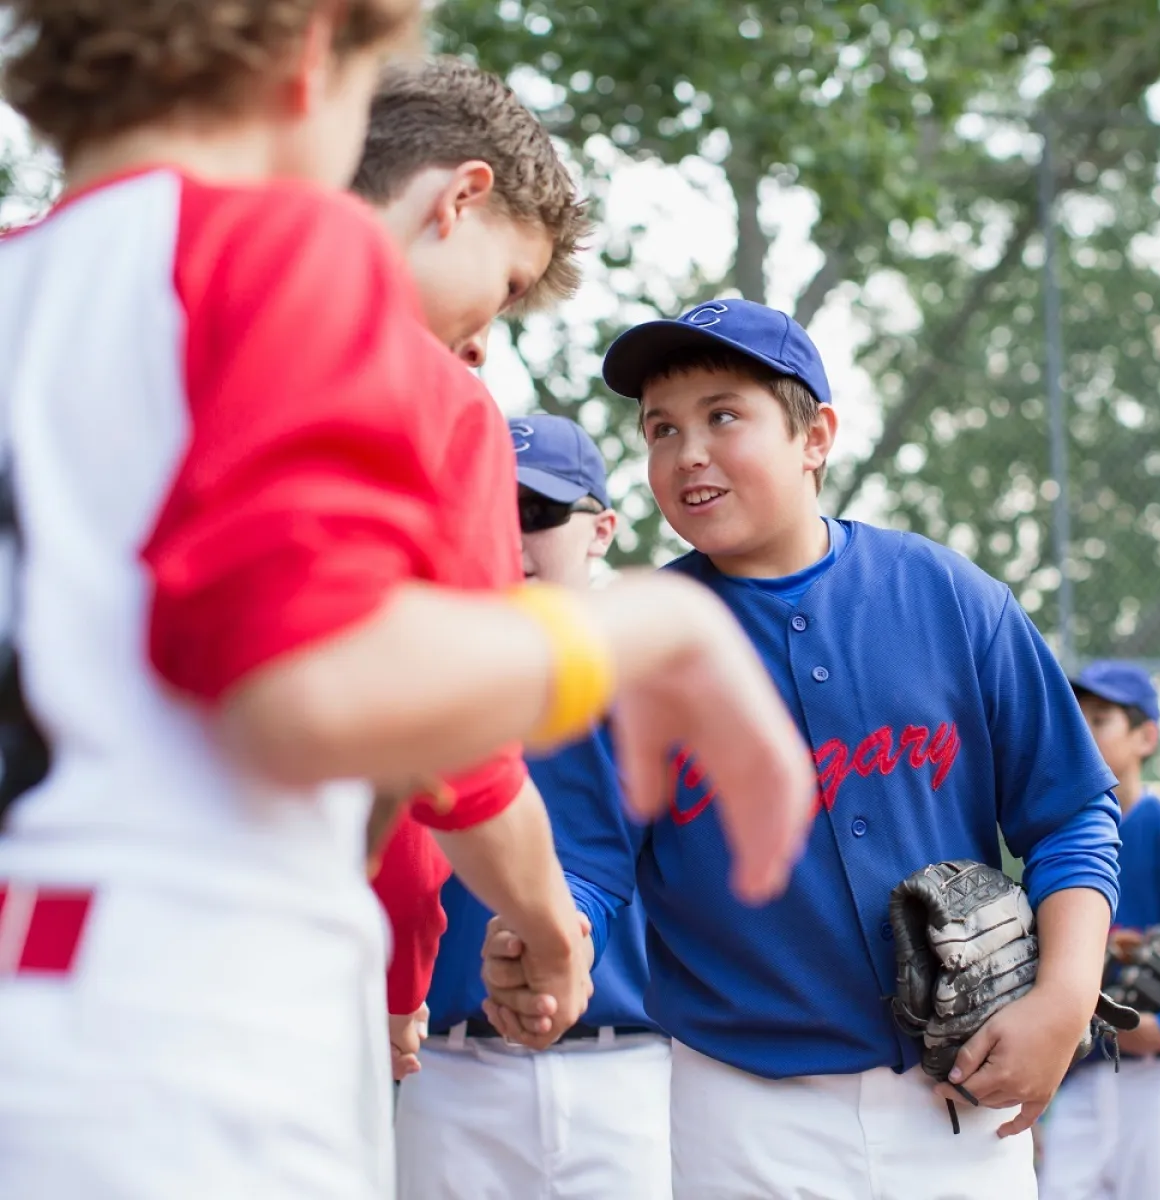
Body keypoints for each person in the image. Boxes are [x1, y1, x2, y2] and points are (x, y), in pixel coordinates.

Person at [0, 7, 818, 1196]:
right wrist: (648, 624)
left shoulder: (25, 278)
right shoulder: (282, 248)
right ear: (318, 49)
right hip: (184, 1013)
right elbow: (311, 686)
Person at [483, 298, 1124, 1200]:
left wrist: (1062, 1002)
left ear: (815, 436)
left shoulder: (948, 596)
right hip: (742, 1107)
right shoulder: (626, 643)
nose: (687, 452)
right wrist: (550, 932)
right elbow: (587, 864)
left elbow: (1071, 813)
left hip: (963, 1086)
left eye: (724, 415)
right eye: (661, 429)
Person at [344, 53, 592, 1081]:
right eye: (508, 286)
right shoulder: (425, 399)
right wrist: (549, 929)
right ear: (460, 198)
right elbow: (450, 741)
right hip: (212, 966)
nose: (487, 340)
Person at [395, 414, 672, 1200]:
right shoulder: (412, 674)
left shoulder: (652, 674)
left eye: (540, 513)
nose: (512, 538)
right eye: (489, 510)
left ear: (601, 530)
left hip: (631, 1070)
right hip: (445, 1067)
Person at [1038, 662, 1160, 1200]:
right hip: (1084, 1076)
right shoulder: (1052, 842)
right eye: (1074, 718)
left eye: (1100, 719)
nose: (1082, 731)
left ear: (1146, 737)